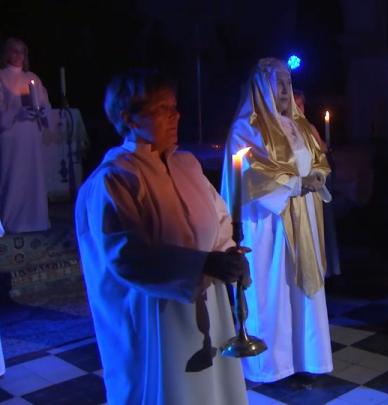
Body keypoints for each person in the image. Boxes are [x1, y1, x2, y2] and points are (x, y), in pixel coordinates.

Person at [75, 69, 249, 405]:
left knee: (213, 390)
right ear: (129, 118)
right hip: (156, 314)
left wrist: (230, 257)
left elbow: (220, 219)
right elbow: (128, 257)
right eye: (162, 109)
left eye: (175, 107)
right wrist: (203, 263)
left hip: (208, 302)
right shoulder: (116, 179)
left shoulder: (187, 165)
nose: (176, 116)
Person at [220, 58, 333, 382]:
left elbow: (318, 158)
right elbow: (253, 174)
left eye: (288, 81)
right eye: (278, 82)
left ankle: (307, 359)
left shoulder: (299, 125)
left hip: (304, 217)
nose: (285, 89)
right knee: (275, 290)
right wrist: (297, 184)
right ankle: (271, 363)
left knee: (301, 293)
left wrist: (318, 175)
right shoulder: (247, 128)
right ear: (261, 87)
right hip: (268, 222)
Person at [0, 37, 51, 233]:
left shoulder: (34, 79)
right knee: (12, 178)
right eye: (14, 50)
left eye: (22, 51)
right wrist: (16, 114)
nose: (18, 55)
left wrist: (44, 111)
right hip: (11, 138)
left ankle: (35, 220)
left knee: (33, 178)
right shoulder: (2, 77)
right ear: (6, 53)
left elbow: (44, 102)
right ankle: (11, 221)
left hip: (31, 137)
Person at [293, 88, 341, 277]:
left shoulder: (308, 127)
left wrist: (324, 149)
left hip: (316, 183)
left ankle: (329, 268)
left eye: (301, 104)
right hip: (303, 185)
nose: (299, 108)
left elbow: (319, 149)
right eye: (295, 104)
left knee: (323, 229)